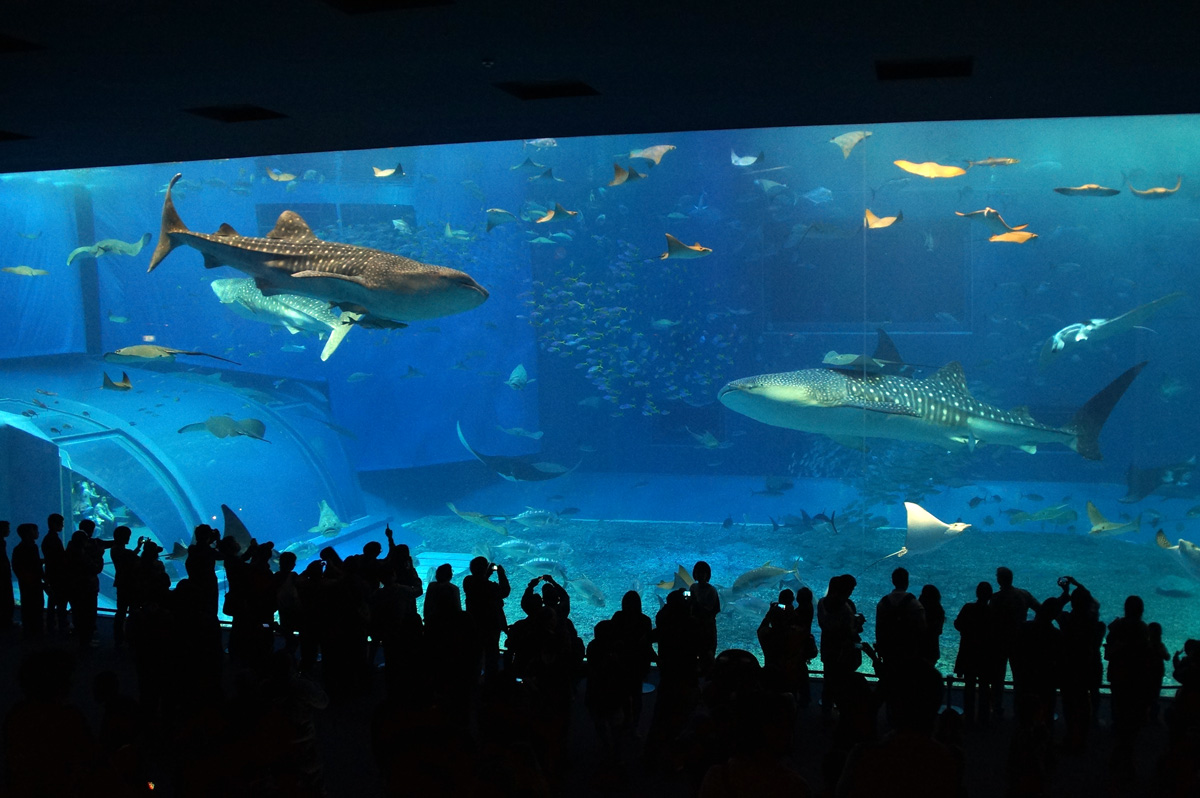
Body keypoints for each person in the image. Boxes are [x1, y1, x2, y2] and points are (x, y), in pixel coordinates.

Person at [1105, 594, 1151, 781]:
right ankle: (1128, 753)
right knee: (1132, 715)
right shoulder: (1143, 628)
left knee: (1119, 709)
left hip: (1119, 676)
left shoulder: (1119, 626)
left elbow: (1108, 649)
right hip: (1136, 678)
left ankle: (1118, 750)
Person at [989, 566, 1040, 715]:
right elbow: (1040, 609)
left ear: (999, 580)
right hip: (1020, 641)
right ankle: (1020, 709)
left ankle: (997, 709)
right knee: (1020, 677)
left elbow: (990, 621)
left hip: (1000, 642)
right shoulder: (1023, 594)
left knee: (997, 678)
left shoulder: (995, 598)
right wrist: (1031, 626)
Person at [818, 574, 864, 722]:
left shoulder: (821, 603)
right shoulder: (847, 606)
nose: (851, 592)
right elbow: (849, 631)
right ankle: (843, 713)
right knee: (844, 682)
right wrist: (858, 622)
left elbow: (824, 625)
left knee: (828, 681)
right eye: (850, 589)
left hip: (827, 647)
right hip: (843, 651)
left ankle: (826, 711)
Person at [462, 556, 509, 681]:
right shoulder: (491, 587)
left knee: (475, 654)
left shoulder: (468, 581)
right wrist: (501, 573)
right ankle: (490, 683)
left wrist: (486, 573)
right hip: (490, 625)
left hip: (474, 623)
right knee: (491, 655)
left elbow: (479, 581)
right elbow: (505, 591)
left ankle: (473, 680)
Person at [954, 581, 993, 725]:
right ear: (990, 595)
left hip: (969, 654)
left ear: (977, 593)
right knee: (984, 687)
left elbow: (958, 624)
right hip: (985, 656)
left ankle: (969, 718)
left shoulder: (968, 608)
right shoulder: (992, 612)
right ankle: (984, 718)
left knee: (969, 686)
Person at [875, 567, 925, 666]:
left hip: (888, 649)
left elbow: (879, 628)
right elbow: (922, 628)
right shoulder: (914, 604)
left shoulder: (882, 603)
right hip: (909, 649)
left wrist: (880, 647)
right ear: (907, 582)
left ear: (893, 581)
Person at [108, 526, 140, 645]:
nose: (128, 538)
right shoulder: (124, 552)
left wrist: (138, 547)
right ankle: (130, 635)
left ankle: (118, 637)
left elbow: (130, 556)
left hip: (121, 583)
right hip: (130, 584)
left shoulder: (114, 549)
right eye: (127, 536)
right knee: (132, 611)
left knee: (121, 611)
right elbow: (133, 559)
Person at [12, 523, 43, 639]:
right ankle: (34, 631)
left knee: (28, 605)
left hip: (27, 582)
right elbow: (33, 565)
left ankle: (29, 629)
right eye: (35, 531)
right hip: (32, 582)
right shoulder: (30, 548)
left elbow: (16, 566)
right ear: (30, 534)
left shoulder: (20, 548)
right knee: (34, 605)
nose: (37, 533)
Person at [689, 560, 721, 674]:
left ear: (707, 574)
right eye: (698, 572)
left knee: (707, 656)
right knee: (692, 655)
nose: (700, 575)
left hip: (707, 629)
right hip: (693, 628)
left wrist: (695, 603)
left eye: (703, 572)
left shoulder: (711, 590)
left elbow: (710, 611)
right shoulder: (693, 587)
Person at [42, 513, 68, 633]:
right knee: (60, 603)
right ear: (54, 524)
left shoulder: (49, 538)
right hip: (57, 576)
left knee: (53, 602)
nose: (62, 526)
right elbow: (58, 559)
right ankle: (61, 626)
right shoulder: (53, 539)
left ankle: (51, 625)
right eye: (61, 524)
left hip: (52, 575)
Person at [917, 584, 945, 667]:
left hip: (918, 648)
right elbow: (939, 631)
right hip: (932, 649)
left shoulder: (917, 609)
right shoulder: (939, 611)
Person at [0, 520, 13, 630]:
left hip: (4, 574)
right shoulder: (1, 543)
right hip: (3, 576)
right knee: (5, 598)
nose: (9, 531)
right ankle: (6, 623)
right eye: (7, 528)